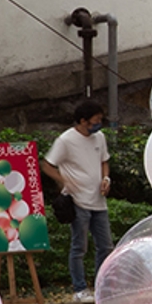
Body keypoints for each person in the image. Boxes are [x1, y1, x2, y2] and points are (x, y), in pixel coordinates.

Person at [46, 103, 112, 292]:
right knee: (79, 247)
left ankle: (101, 286)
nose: (99, 124)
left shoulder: (100, 137)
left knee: (106, 246)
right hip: (78, 201)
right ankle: (79, 287)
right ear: (83, 121)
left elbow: (104, 161)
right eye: (95, 120)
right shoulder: (66, 140)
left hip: (99, 201)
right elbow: (48, 165)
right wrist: (65, 181)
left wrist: (106, 178)